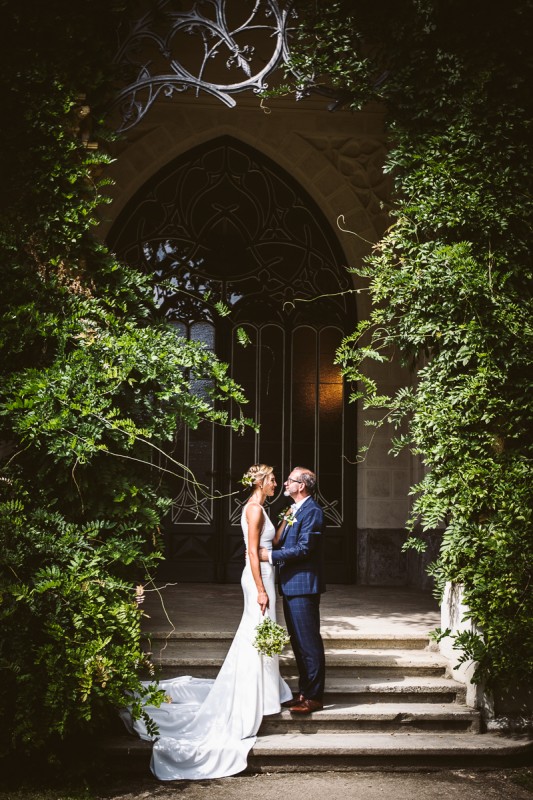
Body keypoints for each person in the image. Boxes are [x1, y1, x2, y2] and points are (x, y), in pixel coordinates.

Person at [120, 463, 292, 781]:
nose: (275, 483)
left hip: (267, 576)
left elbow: (269, 544)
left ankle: (265, 691)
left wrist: (284, 522)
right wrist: (259, 589)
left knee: (260, 633)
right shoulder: (254, 509)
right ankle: (252, 692)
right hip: (259, 578)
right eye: (271, 480)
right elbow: (252, 553)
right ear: (259, 482)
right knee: (256, 632)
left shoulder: (262, 509)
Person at [259, 467, 326, 714]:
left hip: (304, 586)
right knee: (298, 643)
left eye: (290, 480)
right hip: (290, 585)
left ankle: (315, 697)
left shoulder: (313, 512)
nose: (285, 483)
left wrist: (270, 556)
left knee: (309, 643)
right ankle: (303, 693)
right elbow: (283, 539)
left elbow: (305, 549)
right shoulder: (293, 510)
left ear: (302, 486)